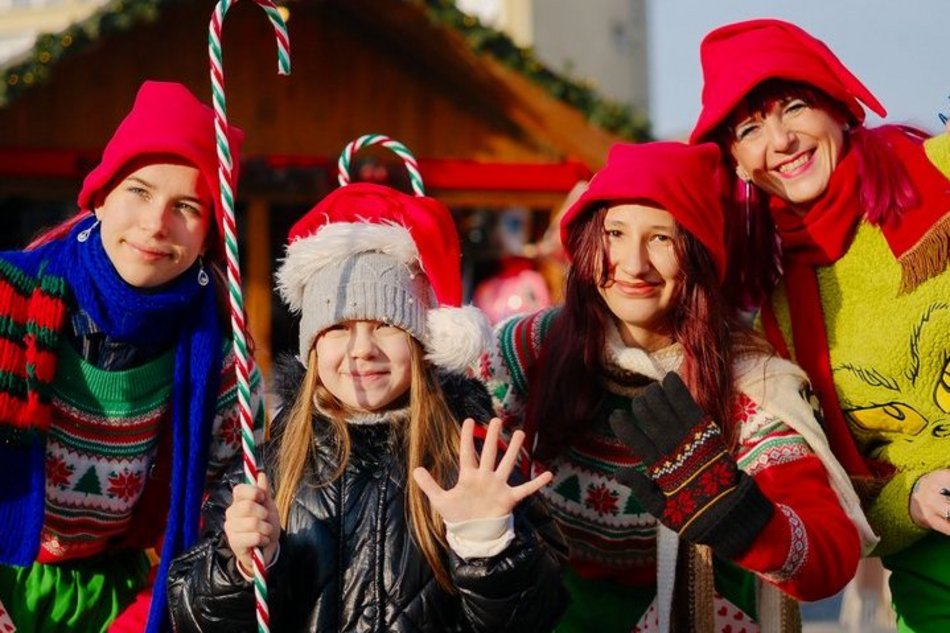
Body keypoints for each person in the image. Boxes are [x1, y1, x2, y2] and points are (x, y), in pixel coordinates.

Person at [474, 141, 876, 632]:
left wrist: (746, 522)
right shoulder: (528, 351)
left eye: (662, 239)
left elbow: (829, 557)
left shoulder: (748, 382)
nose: (633, 264)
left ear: (699, 255)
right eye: (615, 233)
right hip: (552, 611)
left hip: (701, 615)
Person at [166, 181, 568, 632]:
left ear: (421, 340)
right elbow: (191, 614)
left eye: (385, 325)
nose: (362, 350)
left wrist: (487, 543)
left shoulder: (471, 461)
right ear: (312, 346)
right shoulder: (273, 467)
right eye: (338, 328)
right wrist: (235, 568)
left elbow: (536, 615)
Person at [689, 18, 950, 632]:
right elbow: (843, 506)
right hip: (938, 580)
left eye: (795, 108)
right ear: (738, 163)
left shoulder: (942, 173)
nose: (779, 141)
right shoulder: (777, 317)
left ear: (837, 108)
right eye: (750, 129)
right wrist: (910, 498)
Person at [0, 80, 265, 633]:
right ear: (101, 195)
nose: (155, 224)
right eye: (139, 192)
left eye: (186, 206)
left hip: (125, 594)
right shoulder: (11, 297)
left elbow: (222, 499)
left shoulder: (222, 353)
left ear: (209, 232)